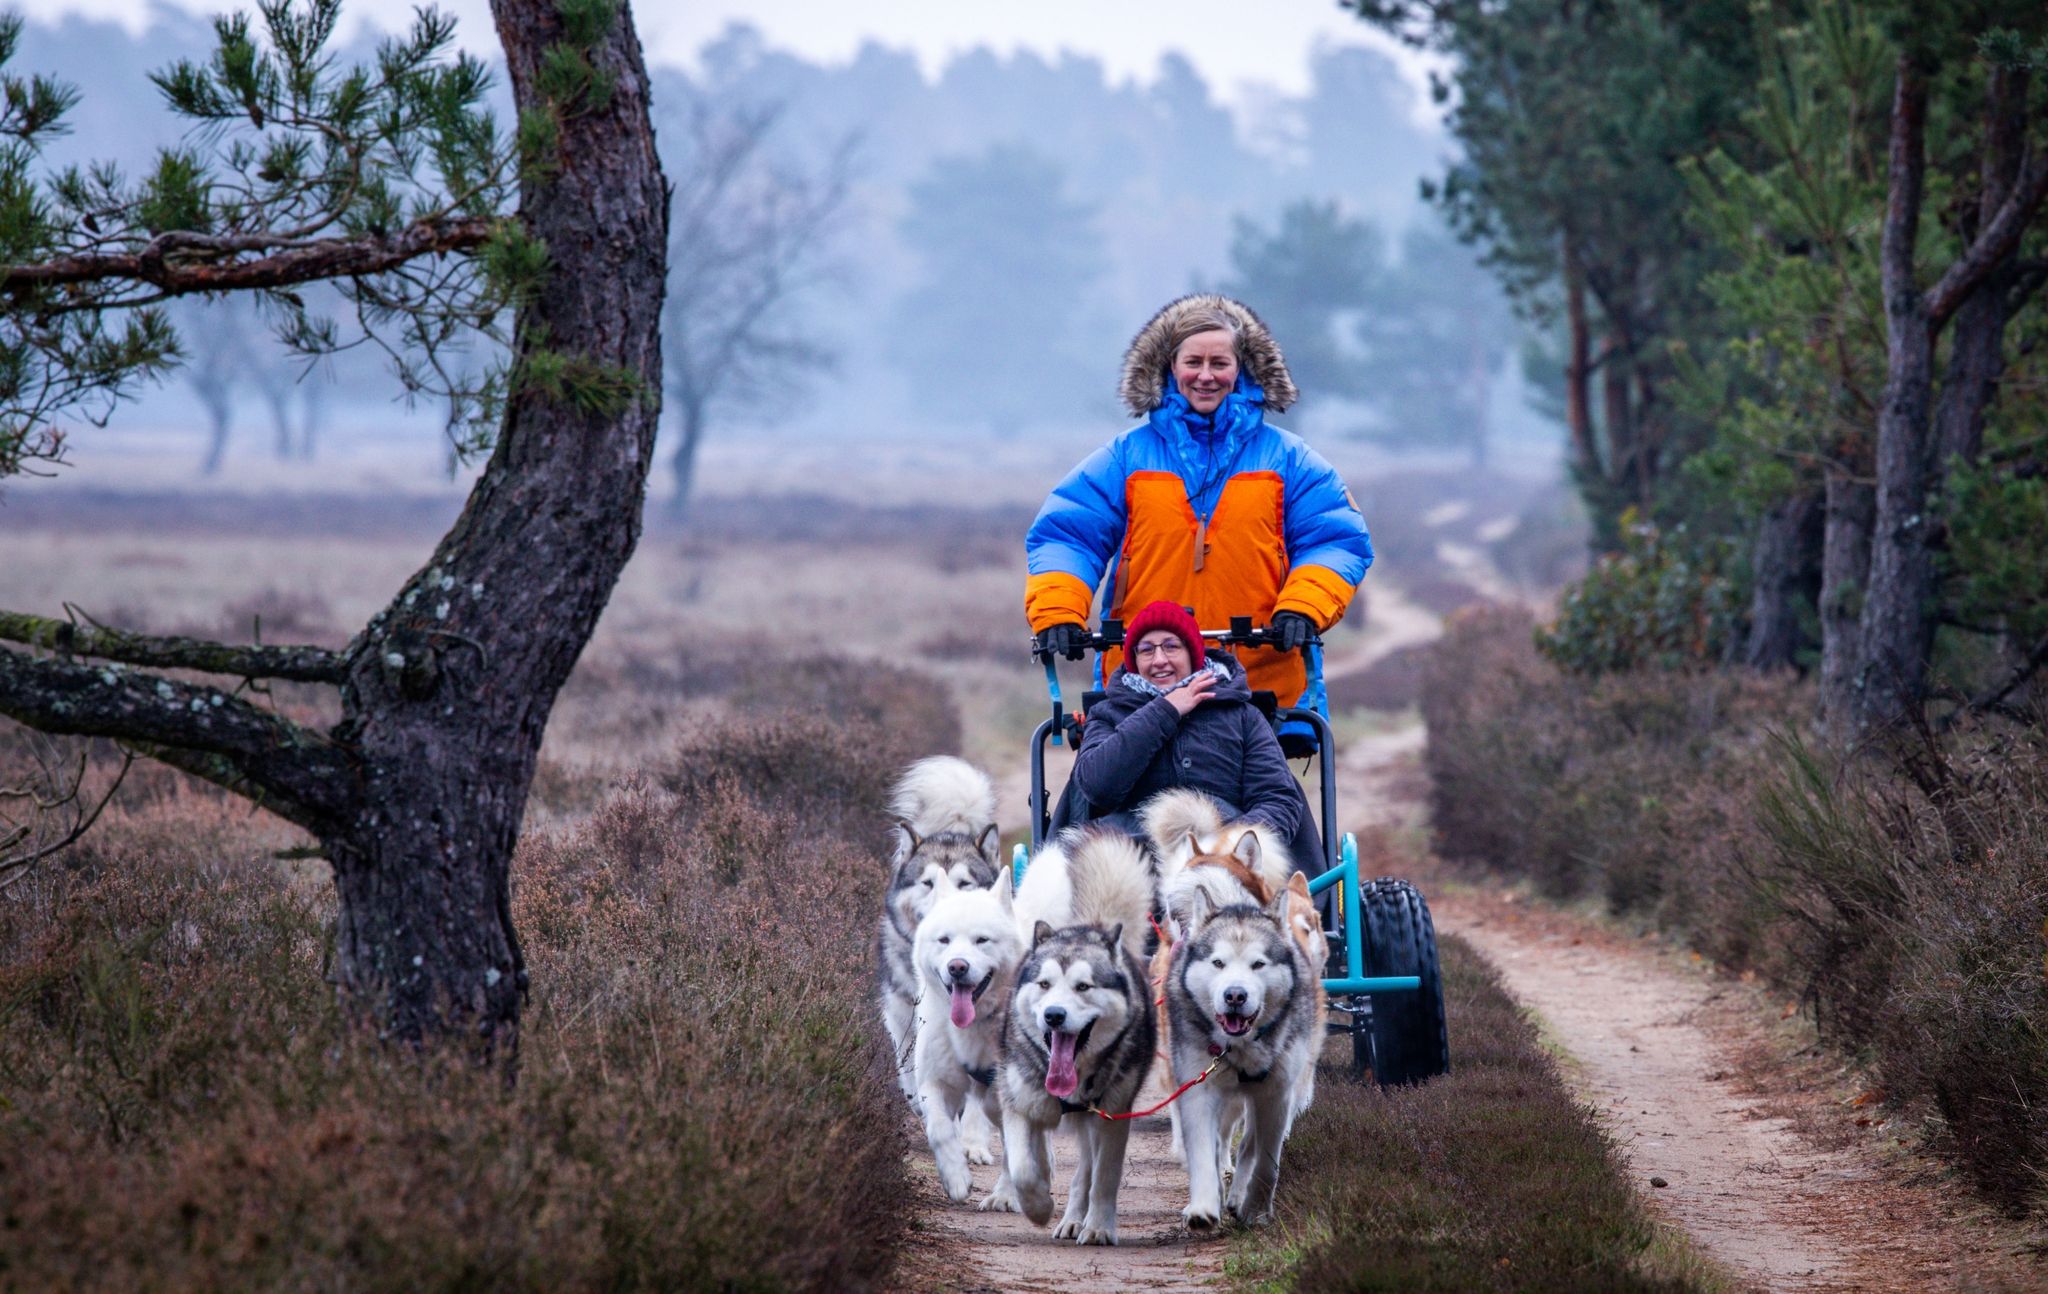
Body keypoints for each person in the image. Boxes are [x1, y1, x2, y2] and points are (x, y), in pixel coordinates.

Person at [1024, 294, 1373, 724]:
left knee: (1266, 794)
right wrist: (1059, 611)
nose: (1205, 376)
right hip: (1141, 685)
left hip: (1260, 690)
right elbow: (1067, 535)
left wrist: (1302, 607)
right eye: (1193, 362)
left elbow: (1335, 540)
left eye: (1219, 363)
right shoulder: (1125, 458)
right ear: (1169, 367)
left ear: (1242, 368)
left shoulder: (1290, 460)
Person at [1048, 600, 1320, 872]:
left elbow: (1277, 799)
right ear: (1134, 660)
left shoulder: (1242, 716)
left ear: (1192, 654)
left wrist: (1229, 846)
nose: (1159, 660)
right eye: (1146, 650)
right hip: (1128, 857)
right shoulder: (1106, 714)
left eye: (1171, 646)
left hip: (1223, 856)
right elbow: (1098, 788)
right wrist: (1166, 710)